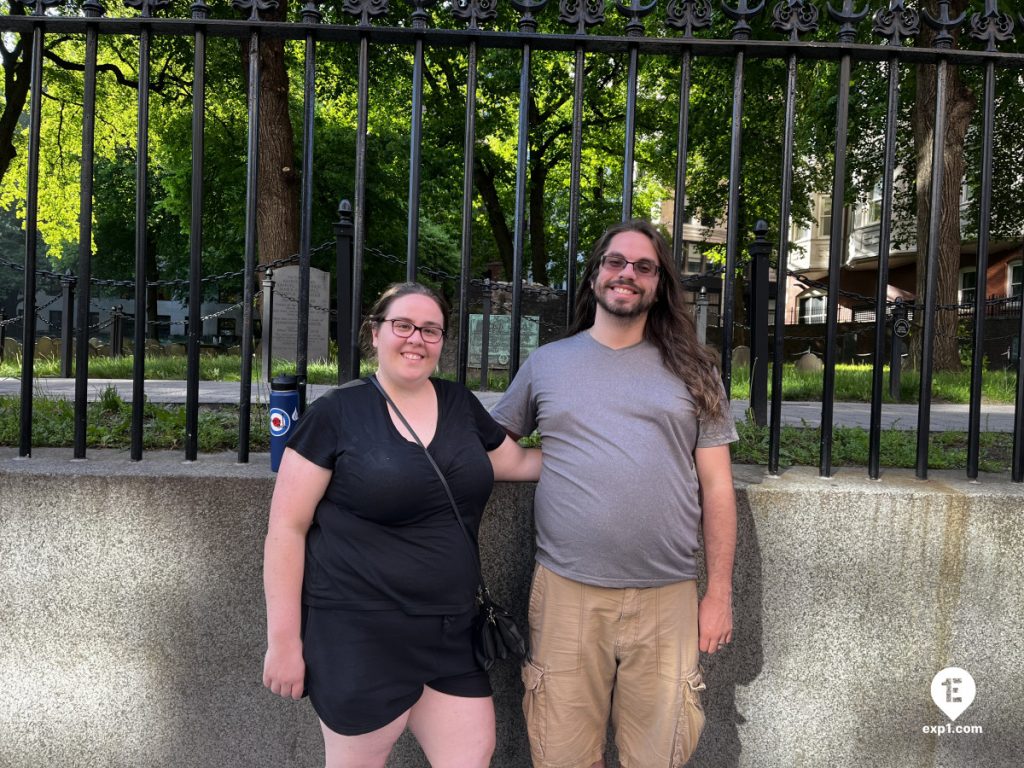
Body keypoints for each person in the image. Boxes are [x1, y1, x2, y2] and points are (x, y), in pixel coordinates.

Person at [262, 282, 541, 768]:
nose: (417, 339)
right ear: (375, 334)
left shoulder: (460, 404)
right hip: (360, 633)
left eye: (430, 330)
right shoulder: (336, 413)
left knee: (472, 755)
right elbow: (286, 528)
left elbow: (515, 461)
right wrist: (284, 642)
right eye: (403, 325)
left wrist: (602, 454)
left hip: (452, 631)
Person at [491, 220, 738, 768]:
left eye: (643, 267)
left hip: (667, 596)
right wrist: (563, 459)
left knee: (658, 757)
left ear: (659, 284)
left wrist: (718, 593)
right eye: (616, 262)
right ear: (596, 275)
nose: (627, 273)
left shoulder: (696, 370)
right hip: (565, 595)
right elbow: (494, 451)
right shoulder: (548, 364)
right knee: (563, 757)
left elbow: (718, 486)